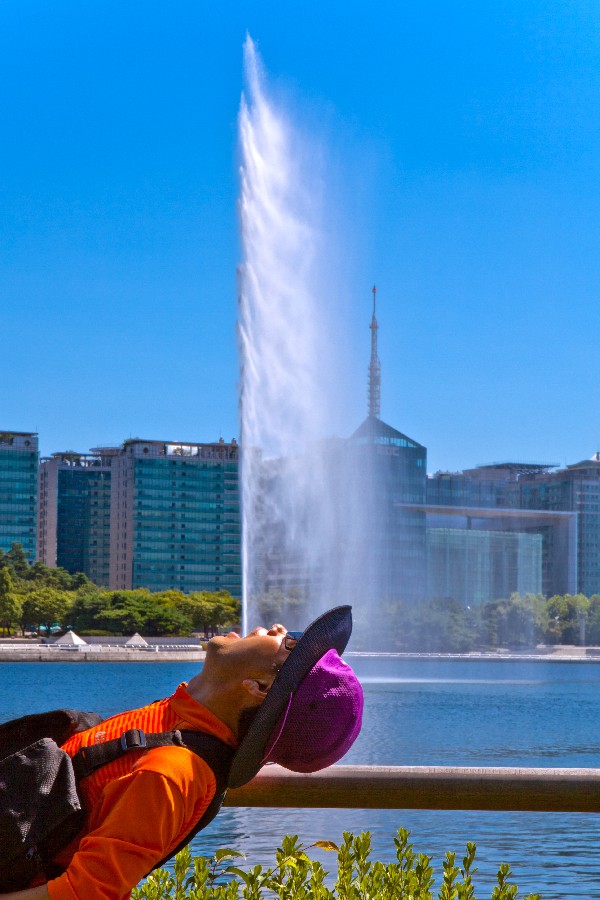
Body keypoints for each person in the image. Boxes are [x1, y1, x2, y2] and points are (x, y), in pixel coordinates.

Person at [2, 605, 363, 900]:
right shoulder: (177, 722)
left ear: (260, 688)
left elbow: (87, 892)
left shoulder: (173, 770)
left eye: (289, 644)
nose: (279, 628)